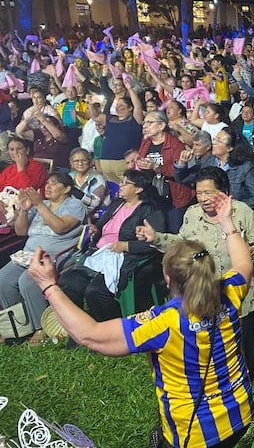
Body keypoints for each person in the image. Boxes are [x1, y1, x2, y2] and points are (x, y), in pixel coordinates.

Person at [27, 193, 254, 448]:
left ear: (167, 277)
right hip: (239, 415)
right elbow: (243, 262)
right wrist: (227, 222)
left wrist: (49, 286)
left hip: (196, 434)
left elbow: (89, 335)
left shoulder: (164, 323)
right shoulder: (230, 291)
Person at [136, 167, 254, 377]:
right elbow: (182, 243)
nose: (203, 199)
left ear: (223, 191)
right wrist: (157, 238)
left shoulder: (242, 212)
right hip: (203, 290)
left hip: (241, 293)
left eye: (208, 192)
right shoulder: (192, 214)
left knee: (241, 337)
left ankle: (246, 374)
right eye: (199, 193)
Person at [55, 169, 166, 321]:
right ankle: (79, 326)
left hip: (123, 259)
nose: (120, 185)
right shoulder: (118, 204)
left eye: (126, 183)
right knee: (67, 282)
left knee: (95, 292)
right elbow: (104, 225)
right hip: (98, 253)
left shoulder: (149, 210)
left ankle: (111, 330)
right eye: (121, 181)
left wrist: (125, 246)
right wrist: (96, 229)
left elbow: (155, 244)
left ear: (139, 189)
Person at [0, 173, 86, 344]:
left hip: (53, 257)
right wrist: (24, 210)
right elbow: (21, 231)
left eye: (54, 183)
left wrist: (39, 204)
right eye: (47, 183)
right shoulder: (42, 205)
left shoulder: (75, 205)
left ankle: (40, 328)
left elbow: (61, 228)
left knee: (28, 280)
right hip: (27, 255)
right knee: (3, 278)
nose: (48, 186)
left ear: (67, 189)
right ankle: (18, 325)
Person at [137, 110, 195, 232]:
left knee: (174, 233)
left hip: (174, 197)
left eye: (150, 123)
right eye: (144, 123)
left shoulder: (175, 145)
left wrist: (156, 168)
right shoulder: (146, 142)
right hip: (153, 194)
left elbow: (178, 172)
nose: (145, 126)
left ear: (162, 126)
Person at [68, 147, 109, 217]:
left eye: (84, 160)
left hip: (94, 215)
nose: (80, 164)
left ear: (90, 162)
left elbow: (95, 203)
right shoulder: (70, 176)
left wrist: (79, 195)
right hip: (74, 212)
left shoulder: (97, 178)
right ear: (72, 163)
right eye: (76, 161)